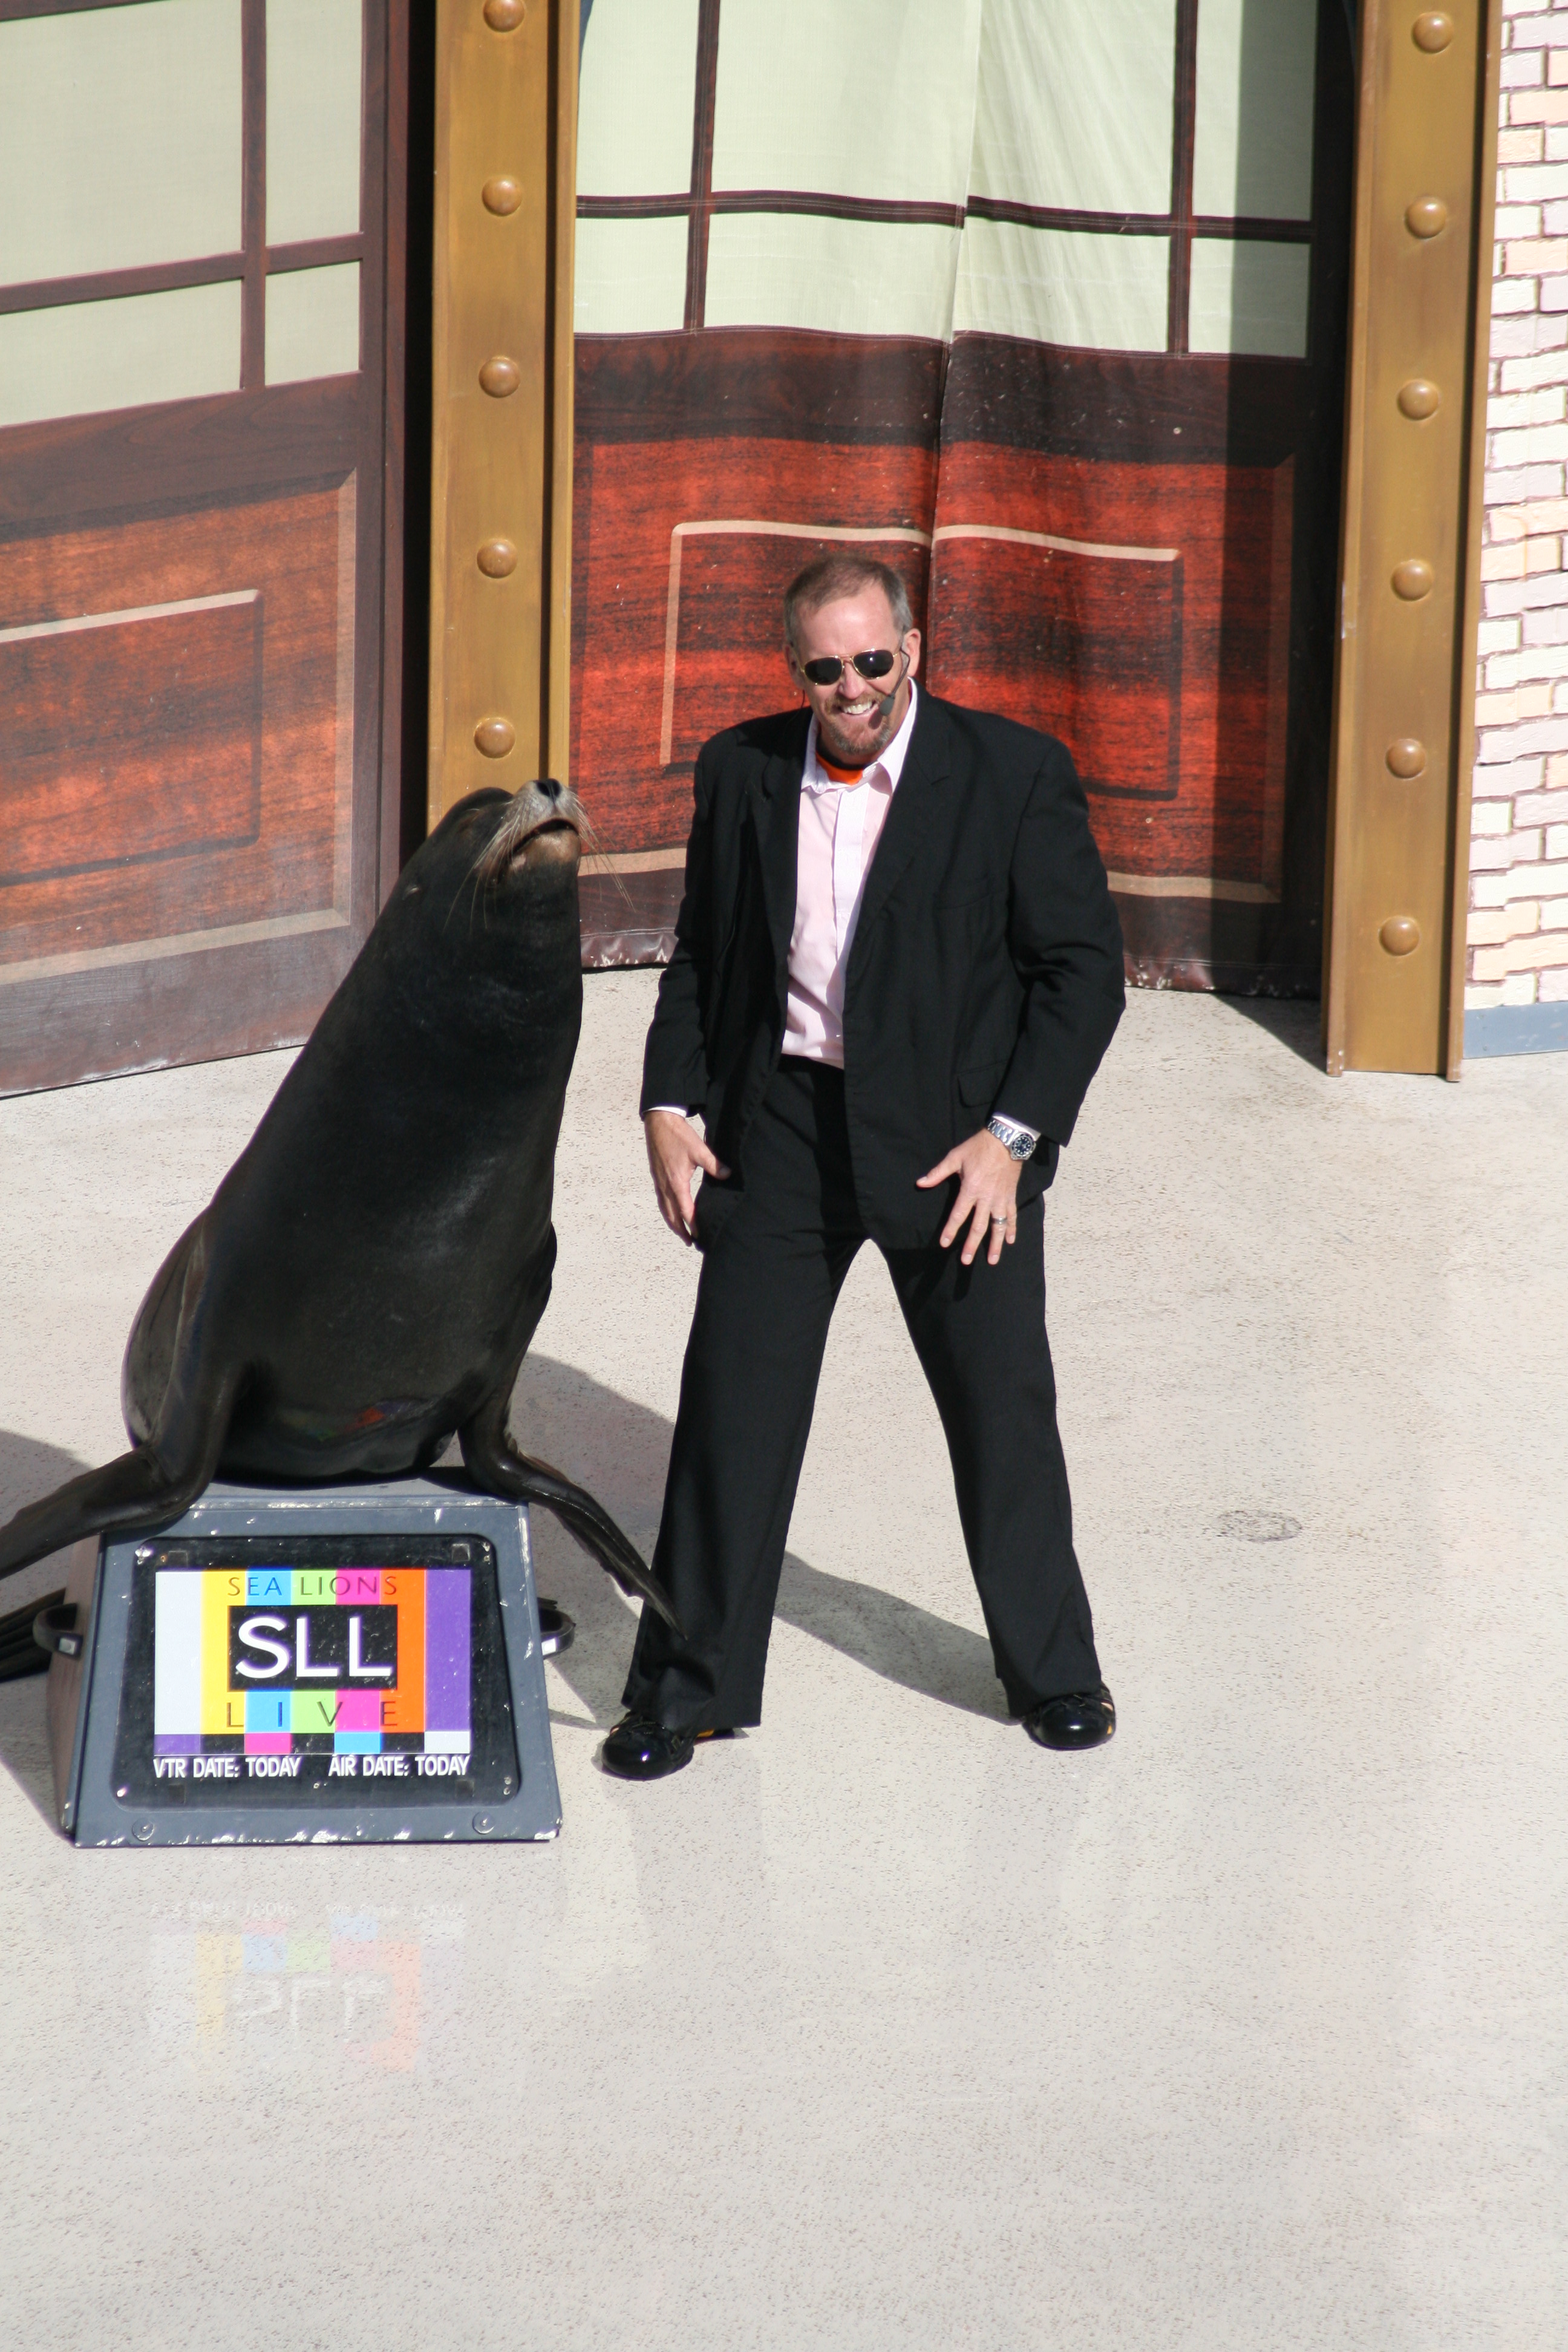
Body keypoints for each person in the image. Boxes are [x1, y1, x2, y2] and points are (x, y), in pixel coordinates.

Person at [603, 552, 1125, 1781]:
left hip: (956, 1147)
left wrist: (1011, 1140)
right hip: (782, 1128)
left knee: (1000, 1411)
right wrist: (667, 1101)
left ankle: (1056, 1672)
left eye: (874, 661)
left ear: (914, 649)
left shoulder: (1011, 774)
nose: (854, 688)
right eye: (827, 669)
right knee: (731, 1414)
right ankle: (687, 1692)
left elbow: (1082, 974)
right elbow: (702, 955)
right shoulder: (741, 770)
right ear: (796, 670)